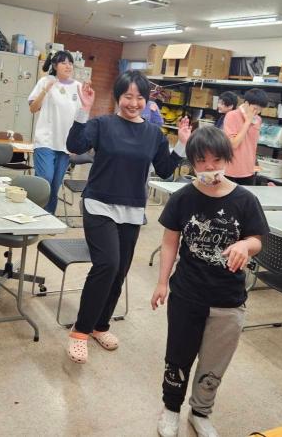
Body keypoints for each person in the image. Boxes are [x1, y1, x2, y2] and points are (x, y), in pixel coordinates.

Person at [65, 70, 191, 363]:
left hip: (132, 210)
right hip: (99, 204)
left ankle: (100, 326)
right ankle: (80, 331)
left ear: (147, 101)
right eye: (127, 96)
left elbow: (165, 170)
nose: (133, 103)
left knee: (120, 270)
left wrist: (182, 144)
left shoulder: (153, 134)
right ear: (118, 97)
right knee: (107, 264)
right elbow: (75, 146)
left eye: (139, 97)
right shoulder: (103, 124)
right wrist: (83, 110)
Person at [151, 126, 268, 437]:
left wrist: (245, 245)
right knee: (178, 355)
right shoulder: (182, 198)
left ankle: (201, 412)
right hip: (187, 293)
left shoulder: (245, 200)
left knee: (214, 363)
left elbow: (257, 240)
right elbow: (169, 243)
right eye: (202, 161)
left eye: (216, 160)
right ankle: (171, 409)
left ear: (227, 159)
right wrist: (162, 283)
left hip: (228, 299)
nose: (209, 167)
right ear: (192, 162)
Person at [28, 50, 83, 214]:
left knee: (55, 184)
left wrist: (77, 142)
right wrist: (45, 90)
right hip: (45, 141)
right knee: (45, 179)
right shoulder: (45, 81)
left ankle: (48, 216)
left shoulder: (78, 86)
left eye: (70, 63)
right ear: (54, 65)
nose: (68, 66)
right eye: (64, 63)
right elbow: (33, 108)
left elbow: (81, 116)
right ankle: (35, 213)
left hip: (66, 144)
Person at [223, 88, 268, 185]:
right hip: (231, 170)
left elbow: (252, 145)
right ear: (246, 103)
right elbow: (233, 144)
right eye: (255, 108)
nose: (257, 112)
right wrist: (248, 121)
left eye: (260, 109)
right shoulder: (232, 115)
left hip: (249, 170)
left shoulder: (258, 120)